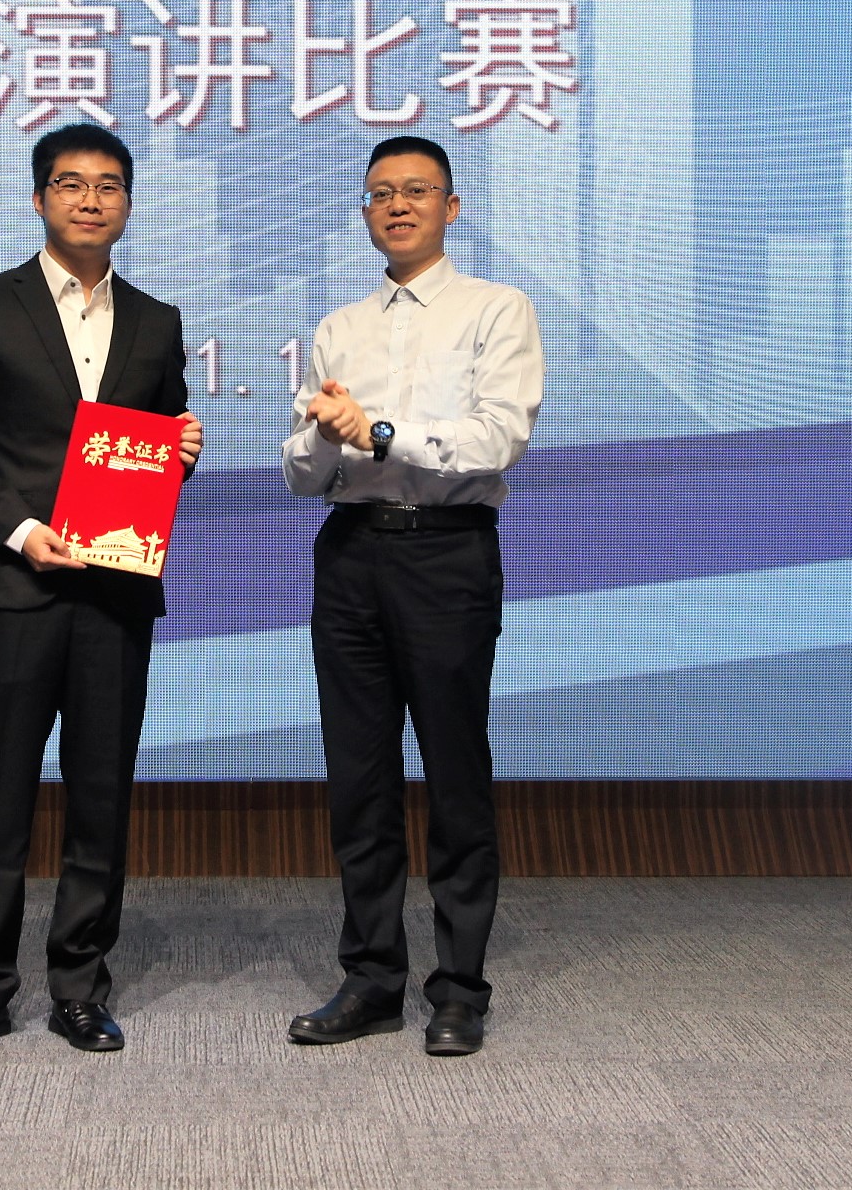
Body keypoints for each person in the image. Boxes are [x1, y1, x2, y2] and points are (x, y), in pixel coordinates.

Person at [0, 121, 202, 1055]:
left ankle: (80, 984)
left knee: (101, 791)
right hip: (14, 583)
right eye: (72, 183)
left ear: (128, 203)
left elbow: (151, 447)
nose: (90, 199)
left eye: (109, 185)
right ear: (39, 197)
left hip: (115, 592)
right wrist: (17, 527)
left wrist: (180, 452)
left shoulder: (157, 321)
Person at [280, 135, 543, 1057]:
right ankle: (370, 979)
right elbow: (301, 475)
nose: (397, 206)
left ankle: (459, 988)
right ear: (364, 212)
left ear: (450, 207)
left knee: (453, 771)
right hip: (350, 553)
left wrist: (380, 430)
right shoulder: (337, 327)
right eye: (380, 193)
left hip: (446, 553)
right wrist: (325, 434)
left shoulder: (496, 308)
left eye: (416, 191)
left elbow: (496, 438)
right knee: (358, 778)